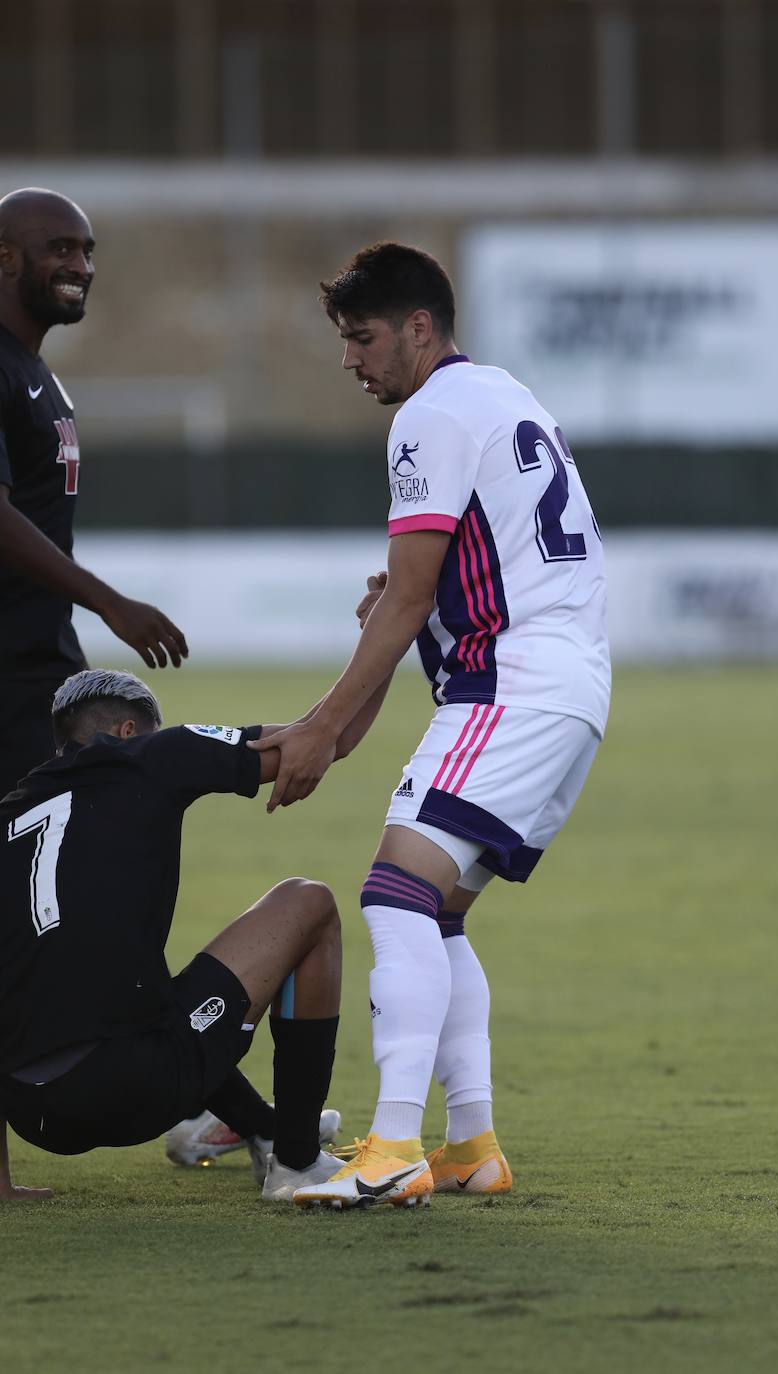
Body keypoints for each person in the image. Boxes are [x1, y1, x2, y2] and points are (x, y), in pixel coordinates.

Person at [249, 242, 611, 1209]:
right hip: (568, 688)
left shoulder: (430, 414)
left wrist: (321, 726)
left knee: (393, 893)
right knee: (437, 912)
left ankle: (396, 1149)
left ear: (420, 328)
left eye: (363, 338)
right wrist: (400, 622)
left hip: (511, 684)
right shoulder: (506, 396)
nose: (350, 359)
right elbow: (429, 588)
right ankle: (471, 1145)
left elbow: (408, 597)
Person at [0, 665, 389, 1205]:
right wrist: (387, 645)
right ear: (128, 732)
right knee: (308, 903)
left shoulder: (11, 813)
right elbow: (325, 740)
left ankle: (259, 1127)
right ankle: (297, 1163)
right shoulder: (150, 755)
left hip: (31, 1112)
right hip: (127, 1085)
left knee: (136, 991)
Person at [0, 187, 188, 802]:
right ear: (6, 258)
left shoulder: (37, 373)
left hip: (37, 659)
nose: (81, 266)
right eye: (60, 249)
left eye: (87, 251)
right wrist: (110, 602)